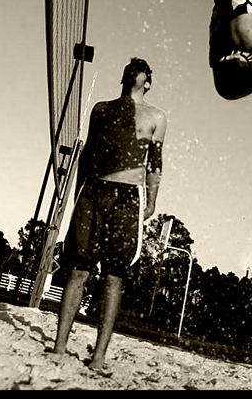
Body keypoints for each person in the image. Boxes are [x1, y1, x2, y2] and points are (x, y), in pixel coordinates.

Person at [53, 57, 167, 374]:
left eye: (142, 69)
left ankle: (99, 356)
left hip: (128, 196)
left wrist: (151, 201)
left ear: (148, 81)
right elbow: (88, 152)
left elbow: (155, 162)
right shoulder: (101, 109)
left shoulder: (156, 116)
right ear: (124, 77)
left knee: (114, 275)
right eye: (131, 67)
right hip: (94, 190)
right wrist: (77, 193)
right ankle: (59, 347)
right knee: (78, 269)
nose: (135, 71)